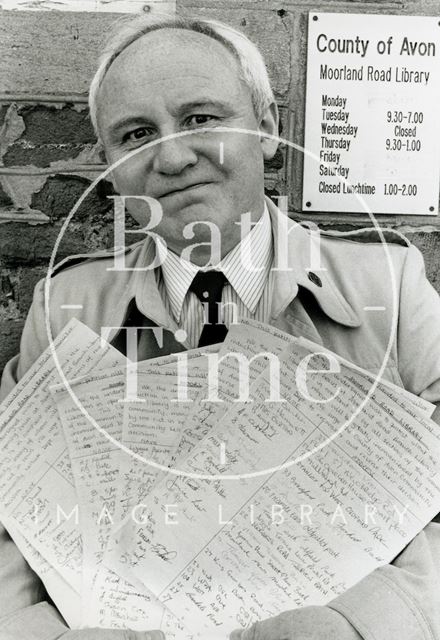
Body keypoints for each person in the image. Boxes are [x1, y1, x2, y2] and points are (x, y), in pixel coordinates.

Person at [1, 13, 440, 640]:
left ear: (267, 128)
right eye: (135, 135)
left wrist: (359, 626)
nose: (173, 156)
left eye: (201, 119)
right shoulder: (63, 309)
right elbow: (11, 517)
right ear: (109, 167)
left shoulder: (390, 292)